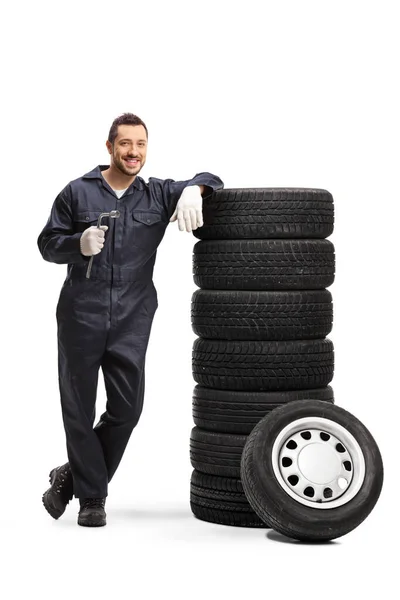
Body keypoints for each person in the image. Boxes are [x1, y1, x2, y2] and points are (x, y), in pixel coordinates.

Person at [38, 112, 224, 527]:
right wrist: (77, 244)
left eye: (140, 145)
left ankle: (70, 478)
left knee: (127, 410)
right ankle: (91, 499)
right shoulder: (76, 192)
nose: (133, 152)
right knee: (78, 410)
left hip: (132, 317)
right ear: (109, 147)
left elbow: (214, 177)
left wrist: (195, 188)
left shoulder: (157, 195)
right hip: (80, 316)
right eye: (125, 144)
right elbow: (47, 243)